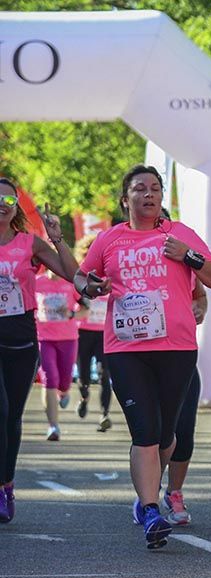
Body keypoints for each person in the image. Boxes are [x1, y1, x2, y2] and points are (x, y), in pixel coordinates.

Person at [74, 164, 211, 549]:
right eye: (140, 188)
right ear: (126, 199)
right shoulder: (109, 240)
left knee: (164, 434)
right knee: (143, 431)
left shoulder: (180, 234)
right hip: (127, 349)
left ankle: (150, 492)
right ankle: (151, 510)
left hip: (175, 347)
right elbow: (82, 279)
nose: (149, 194)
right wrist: (94, 286)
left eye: (155, 188)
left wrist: (188, 256)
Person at [0, 180, 78, 523]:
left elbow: (72, 275)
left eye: (8, 199)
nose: (2, 203)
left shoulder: (29, 243)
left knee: (11, 418)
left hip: (21, 337)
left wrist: (56, 238)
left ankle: (6, 487)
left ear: (16, 207)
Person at [160, 278, 209, 526]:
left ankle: (173, 493)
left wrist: (199, 308)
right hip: (143, 360)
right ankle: (147, 494)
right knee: (154, 433)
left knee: (185, 429)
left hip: (183, 359)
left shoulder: (182, 257)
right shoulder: (130, 253)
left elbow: (201, 296)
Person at [73, 234, 113, 432]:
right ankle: (84, 396)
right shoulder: (81, 277)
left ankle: (105, 414)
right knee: (84, 376)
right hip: (83, 332)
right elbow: (71, 297)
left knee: (105, 374)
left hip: (104, 333)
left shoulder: (110, 274)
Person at [35, 269, 80, 441]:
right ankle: (53, 427)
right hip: (44, 338)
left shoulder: (71, 282)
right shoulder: (37, 282)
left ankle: (64, 391)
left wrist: (72, 314)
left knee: (64, 381)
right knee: (49, 379)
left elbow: (85, 309)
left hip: (68, 338)